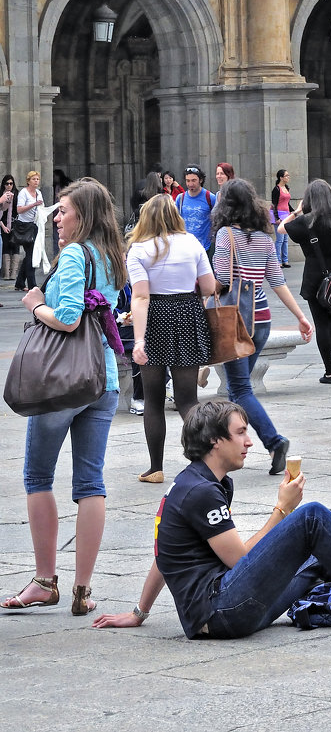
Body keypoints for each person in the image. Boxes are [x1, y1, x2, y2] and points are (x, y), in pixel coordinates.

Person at [90, 401, 331, 637]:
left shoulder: (205, 482)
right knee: (311, 516)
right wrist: (281, 511)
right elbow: (239, 560)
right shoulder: (200, 492)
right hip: (220, 613)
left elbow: (163, 553)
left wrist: (139, 612)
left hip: (226, 606)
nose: (250, 441)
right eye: (240, 433)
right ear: (215, 442)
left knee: (319, 554)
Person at [1, 178, 127, 616]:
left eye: (63, 211)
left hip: (62, 383)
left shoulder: (74, 254)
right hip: (102, 379)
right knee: (91, 484)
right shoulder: (112, 256)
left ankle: (43, 580)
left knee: (38, 477)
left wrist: (36, 303)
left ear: (84, 216)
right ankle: (82, 590)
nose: (56, 217)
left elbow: (69, 320)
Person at [212, 178, 313, 476]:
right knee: (238, 389)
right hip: (262, 320)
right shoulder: (264, 238)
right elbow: (277, 282)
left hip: (235, 320)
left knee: (240, 389)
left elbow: (220, 280)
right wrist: (301, 316)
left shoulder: (225, 236)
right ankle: (229, 446)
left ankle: (274, 440)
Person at [127, 195, 219, 484]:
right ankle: (209, 459)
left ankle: (155, 468)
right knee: (187, 398)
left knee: (153, 399)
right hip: (187, 314)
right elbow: (207, 286)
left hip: (154, 318)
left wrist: (139, 340)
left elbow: (140, 297)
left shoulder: (138, 249)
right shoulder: (192, 243)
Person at [279, 179, 331, 383]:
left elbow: (281, 229)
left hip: (315, 278)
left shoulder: (306, 222)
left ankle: (329, 372)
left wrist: (296, 211)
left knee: (321, 323)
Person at [14, 170, 44, 292]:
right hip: (23, 226)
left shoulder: (38, 193)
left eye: (37, 179)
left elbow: (41, 208)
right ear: (28, 181)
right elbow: (19, 210)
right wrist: (33, 204)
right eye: (33, 179)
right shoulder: (23, 193)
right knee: (31, 255)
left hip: (34, 226)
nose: (36, 181)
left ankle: (20, 283)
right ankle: (32, 285)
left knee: (30, 255)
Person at [176, 164, 217, 254]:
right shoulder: (180, 198)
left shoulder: (210, 197)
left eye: (194, 180)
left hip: (205, 247)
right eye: (188, 181)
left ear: (200, 180)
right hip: (185, 247)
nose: (190, 184)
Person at [270, 168, 293, 266]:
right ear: (281, 178)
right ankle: (278, 261)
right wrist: (276, 218)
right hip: (279, 214)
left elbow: (287, 203)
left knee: (285, 239)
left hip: (286, 214)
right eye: (286, 176)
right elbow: (274, 204)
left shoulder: (286, 188)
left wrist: (293, 211)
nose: (288, 177)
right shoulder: (276, 189)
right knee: (280, 239)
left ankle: (285, 260)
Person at [0, 173, 15, 282]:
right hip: (3, 222)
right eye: (7, 183)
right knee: (4, 246)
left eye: (11, 183)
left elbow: (15, 210)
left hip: (14, 222)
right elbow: (2, 211)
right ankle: (6, 273)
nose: (9, 185)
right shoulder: (2, 195)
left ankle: (13, 273)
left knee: (15, 246)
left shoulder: (16, 194)